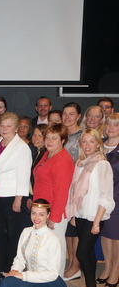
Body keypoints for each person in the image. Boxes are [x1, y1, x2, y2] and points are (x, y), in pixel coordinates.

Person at [66, 129, 114, 287]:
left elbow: (106, 195)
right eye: (84, 142)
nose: (87, 145)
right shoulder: (81, 162)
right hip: (81, 214)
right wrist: (74, 214)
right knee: (88, 254)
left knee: (82, 253)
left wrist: (96, 221)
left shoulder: (102, 164)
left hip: (94, 215)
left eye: (91, 142)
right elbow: (75, 192)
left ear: (98, 144)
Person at [0, 112, 32, 276]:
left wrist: (18, 199)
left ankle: (11, 268)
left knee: (13, 234)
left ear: (16, 128)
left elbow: (24, 175)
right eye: (2, 125)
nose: (4, 128)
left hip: (13, 197)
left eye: (9, 126)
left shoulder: (21, 147)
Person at [33, 124, 75, 278]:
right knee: (45, 248)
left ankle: (57, 281)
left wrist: (54, 218)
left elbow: (61, 193)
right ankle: (46, 279)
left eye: (54, 138)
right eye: (48, 137)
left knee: (56, 249)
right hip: (42, 209)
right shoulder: (48, 153)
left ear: (63, 140)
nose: (49, 141)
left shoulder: (62, 159)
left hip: (54, 212)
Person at [62, 102, 83, 277]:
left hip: (76, 188)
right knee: (67, 230)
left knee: (75, 229)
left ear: (78, 116)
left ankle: (76, 265)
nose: (67, 117)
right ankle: (70, 263)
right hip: (63, 188)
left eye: (71, 114)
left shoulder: (82, 136)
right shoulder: (61, 135)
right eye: (65, 114)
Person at [99, 113, 119, 287]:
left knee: (116, 236)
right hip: (99, 198)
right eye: (109, 124)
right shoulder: (99, 143)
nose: (111, 128)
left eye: (116, 125)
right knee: (105, 234)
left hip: (117, 197)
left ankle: (116, 271)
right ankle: (107, 267)